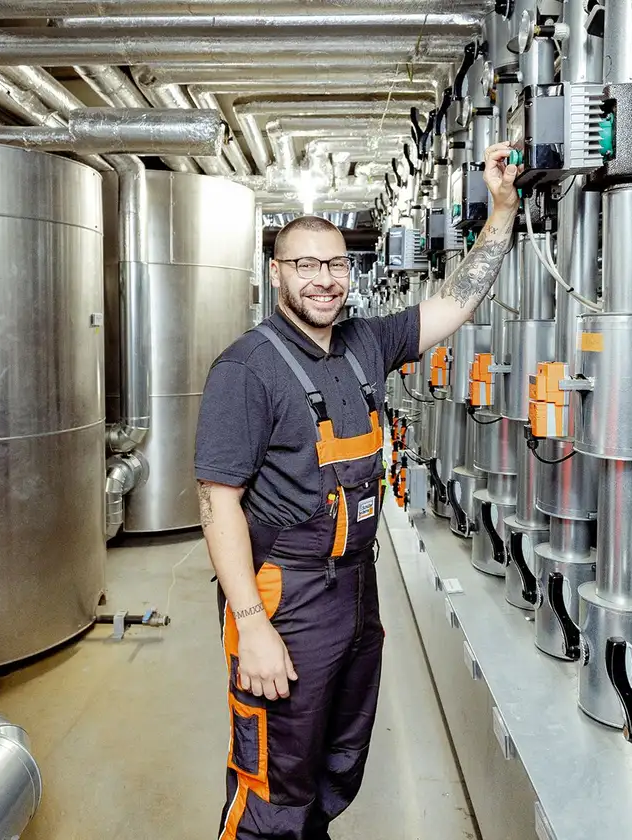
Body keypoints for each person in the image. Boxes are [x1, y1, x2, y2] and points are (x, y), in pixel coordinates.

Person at [194, 142, 521, 840]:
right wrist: (251, 623)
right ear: (276, 273)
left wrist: (502, 211)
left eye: (336, 264)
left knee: (336, 759)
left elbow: (457, 302)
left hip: (355, 587)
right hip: (286, 594)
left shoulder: (367, 342)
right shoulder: (246, 370)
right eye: (306, 265)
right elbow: (217, 502)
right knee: (273, 778)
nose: (324, 280)